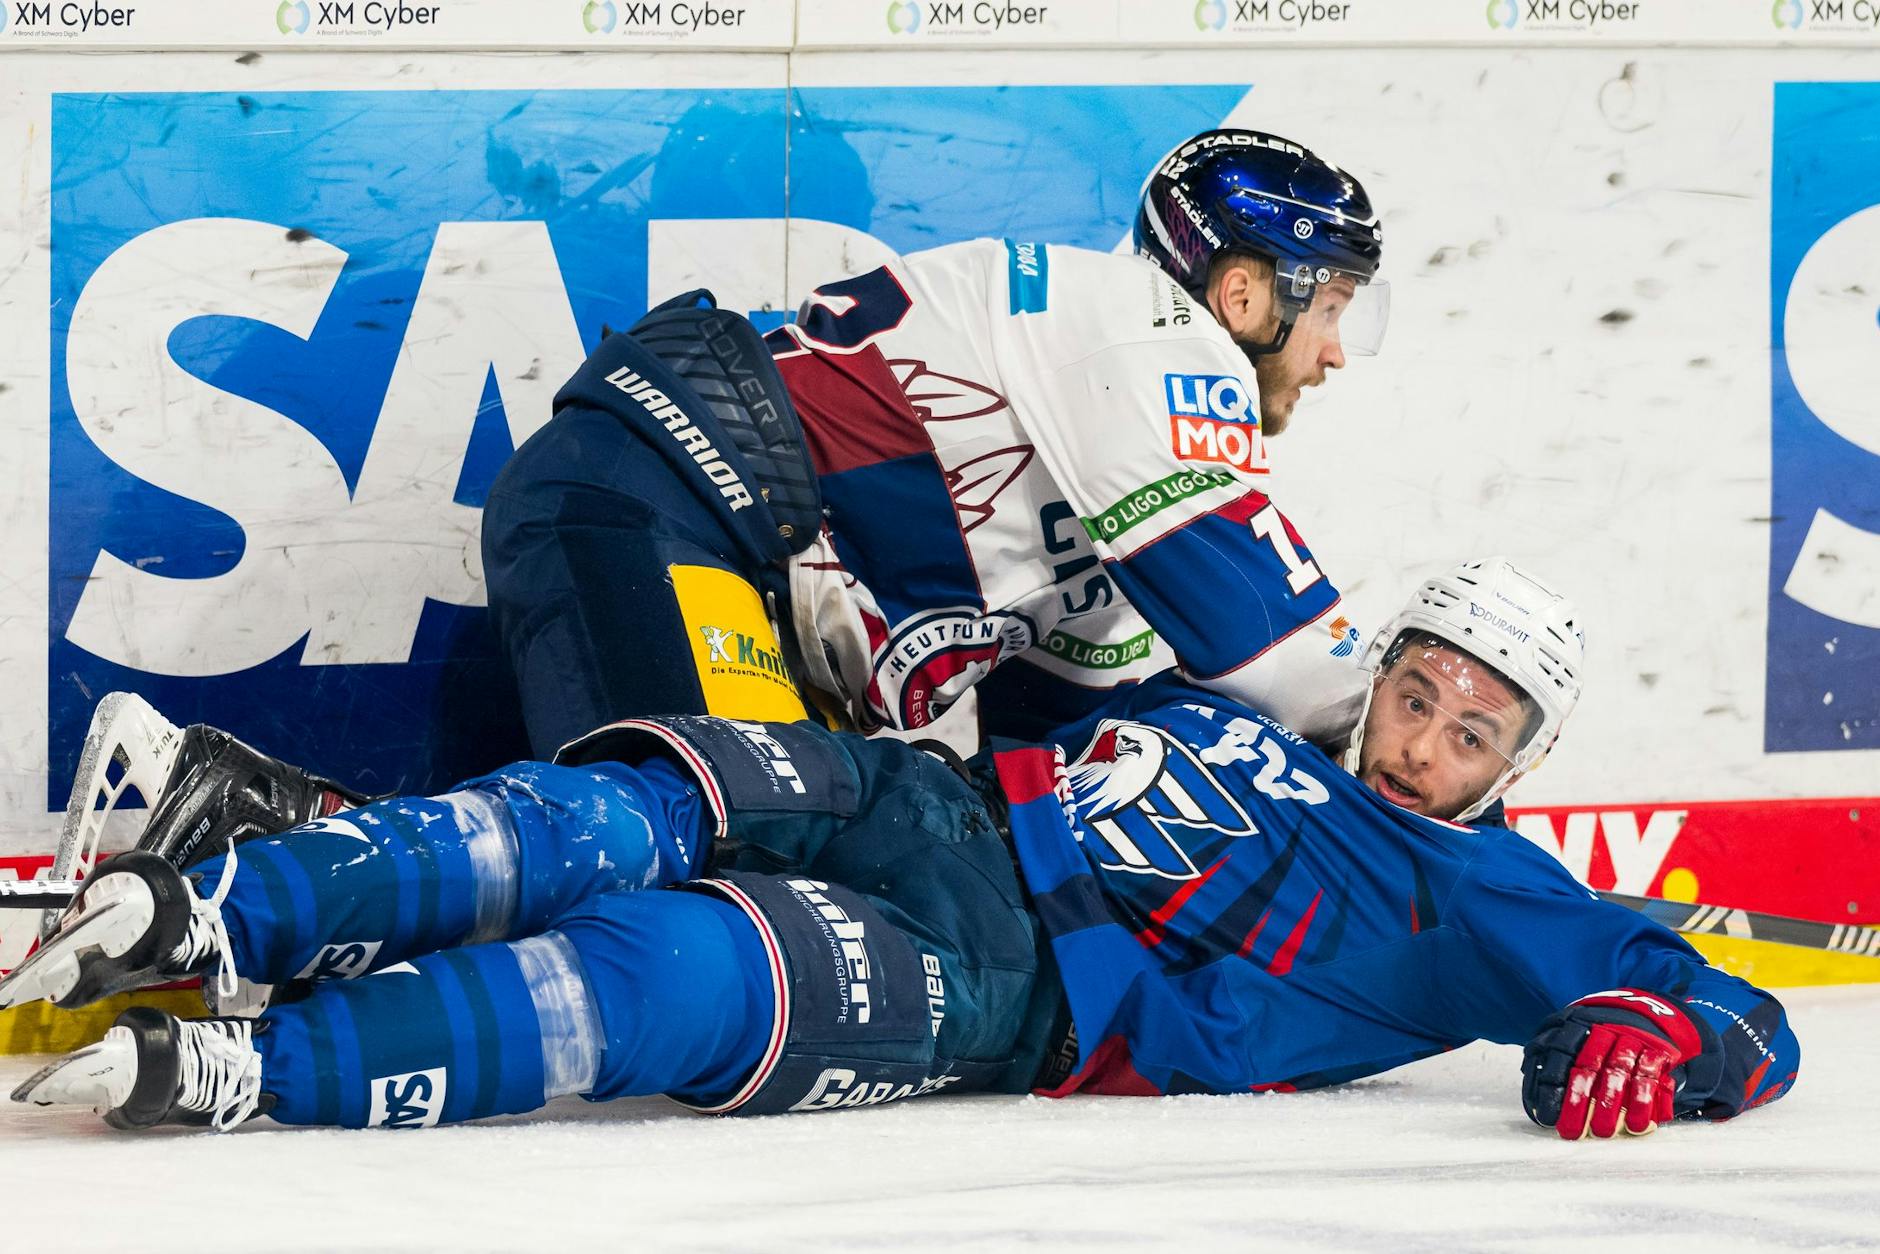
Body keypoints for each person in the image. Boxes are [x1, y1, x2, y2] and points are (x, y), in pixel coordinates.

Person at [4, 558, 1797, 1140]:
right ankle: (201, 903)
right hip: (932, 804)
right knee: (606, 812)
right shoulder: (1269, 713)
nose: (1421, 738)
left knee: (663, 973)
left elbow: (1723, 1010)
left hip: (1010, 986)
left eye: (1470, 730)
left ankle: (239, 1064)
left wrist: (1668, 1037)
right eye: (1418, 689)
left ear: (1515, 764)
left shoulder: (1499, 897)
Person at [480, 128, 1389, 757]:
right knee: (697, 867)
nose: (1338, 354)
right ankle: (343, 860)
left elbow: (1046, 750)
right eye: (1336, 310)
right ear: (1242, 295)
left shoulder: (1120, 460)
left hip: (683, 527)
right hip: (663, 507)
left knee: (772, 883)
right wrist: (1446, 753)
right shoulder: (1156, 339)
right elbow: (1290, 665)